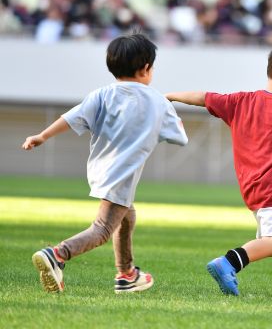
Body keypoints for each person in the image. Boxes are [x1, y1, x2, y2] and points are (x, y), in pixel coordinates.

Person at [22, 33, 188, 293]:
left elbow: (71, 117)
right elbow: (180, 138)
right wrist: (172, 115)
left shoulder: (101, 94)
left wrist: (42, 136)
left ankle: (126, 273)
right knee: (102, 230)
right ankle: (57, 254)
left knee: (127, 217)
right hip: (122, 175)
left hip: (100, 170)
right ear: (146, 68)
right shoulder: (157, 100)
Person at [165, 44, 272, 296]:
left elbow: (204, 98)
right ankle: (228, 263)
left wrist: (171, 96)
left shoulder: (241, 101)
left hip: (251, 187)